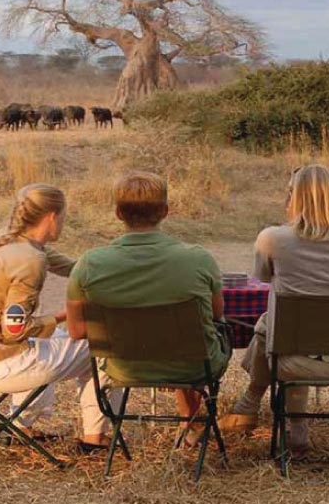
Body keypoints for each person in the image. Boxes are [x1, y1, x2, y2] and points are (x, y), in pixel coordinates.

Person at [218, 164, 329, 456]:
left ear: (294, 197)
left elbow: (263, 278)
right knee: (276, 324)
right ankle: (258, 410)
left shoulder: (273, 238)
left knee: (273, 326)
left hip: (298, 360)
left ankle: (261, 409)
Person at [0, 184, 118, 452]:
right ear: (52, 216)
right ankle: (94, 438)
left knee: (53, 339)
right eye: (64, 216)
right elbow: (15, 330)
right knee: (102, 348)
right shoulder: (30, 259)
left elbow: (73, 268)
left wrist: (115, 270)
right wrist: (64, 316)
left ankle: (21, 427)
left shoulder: (7, 240)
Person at [65, 172, 230, 445]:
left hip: (125, 368)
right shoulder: (198, 259)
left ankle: (190, 424)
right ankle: (192, 425)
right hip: (190, 367)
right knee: (196, 342)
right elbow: (215, 316)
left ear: (118, 214)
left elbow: (77, 330)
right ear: (165, 211)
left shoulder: (89, 264)